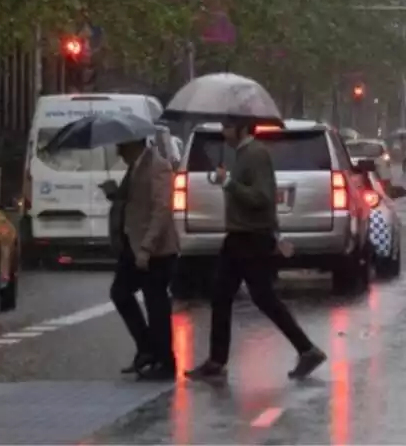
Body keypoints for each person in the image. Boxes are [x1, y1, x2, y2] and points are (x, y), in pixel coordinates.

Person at [185, 120, 326, 381]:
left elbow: (261, 197)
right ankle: (217, 361)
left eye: (228, 125)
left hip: (251, 238)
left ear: (242, 128)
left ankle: (307, 349)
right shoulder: (242, 154)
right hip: (240, 237)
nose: (223, 131)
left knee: (261, 297)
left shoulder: (256, 154)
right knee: (224, 295)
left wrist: (228, 183)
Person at [106, 137, 179, 381]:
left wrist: (147, 247)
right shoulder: (134, 167)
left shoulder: (158, 165)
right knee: (120, 293)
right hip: (133, 245)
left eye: (121, 146)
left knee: (156, 303)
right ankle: (148, 348)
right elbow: (135, 202)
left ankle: (165, 361)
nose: (118, 151)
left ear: (133, 144)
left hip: (155, 249)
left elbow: (161, 209)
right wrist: (115, 194)